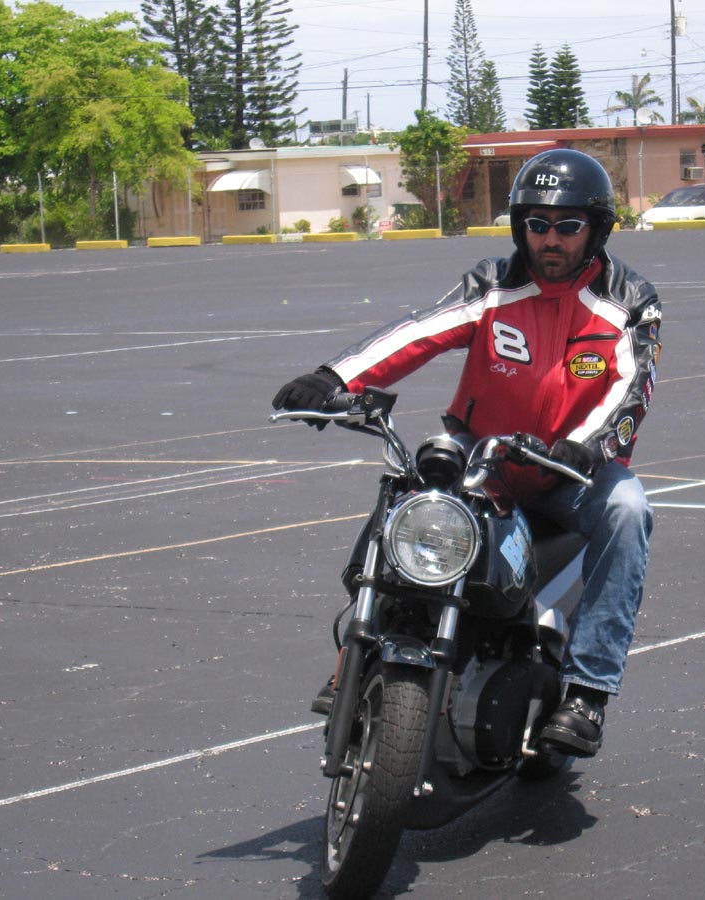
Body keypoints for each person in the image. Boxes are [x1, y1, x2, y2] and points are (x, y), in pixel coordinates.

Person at [273, 148, 660, 758]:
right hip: (486, 456)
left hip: (572, 470)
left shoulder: (630, 299)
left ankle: (588, 691)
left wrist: (586, 448)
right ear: (520, 227)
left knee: (629, 510)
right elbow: (419, 332)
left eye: (567, 225)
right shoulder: (493, 284)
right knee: (408, 482)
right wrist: (335, 376)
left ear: (596, 229)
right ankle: (359, 648)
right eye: (537, 224)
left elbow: (632, 388)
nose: (550, 239)